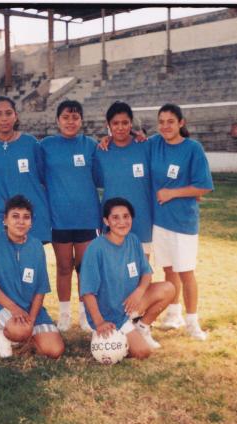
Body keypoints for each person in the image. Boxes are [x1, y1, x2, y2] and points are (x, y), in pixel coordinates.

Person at [80, 197, 175, 358]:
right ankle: (115, 332)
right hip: (109, 314)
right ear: (106, 221)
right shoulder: (96, 249)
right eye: (115, 217)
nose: (122, 222)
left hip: (130, 305)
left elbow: (146, 273)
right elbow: (87, 292)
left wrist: (139, 291)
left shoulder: (133, 240)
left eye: (126, 216)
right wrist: (99, 322)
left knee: (168, 288)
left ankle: (142, 327)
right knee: (142, 352)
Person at [149, 103, 214, 340]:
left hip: (183, 222)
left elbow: (204, 186)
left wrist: (172, 193)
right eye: (162, 121)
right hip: (160, 221)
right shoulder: (154, 143)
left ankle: (193, 323)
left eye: (170, 122)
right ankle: (173, 315)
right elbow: (134, 143)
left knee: (186, 272)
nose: (165, 126)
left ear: (181, 123)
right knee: (169, 270)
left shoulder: (193, 149)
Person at [0, 195, 64, 359]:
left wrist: (32, 318)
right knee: (20, 330)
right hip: (0, 306)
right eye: (15, 216)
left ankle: (24, 339)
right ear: (5, 220)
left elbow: (40, 289)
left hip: (30, 309)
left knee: (55, 350)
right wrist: (14, 309)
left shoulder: (36, 246)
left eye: (26, 217)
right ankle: (5, 334)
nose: (21, 222)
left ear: (31, 222)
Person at [41, 100, 101, 332]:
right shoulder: (46, 146)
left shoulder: (91, 145)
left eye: (75, 117)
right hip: (59, 218)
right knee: (64, 267)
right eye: (65, 117)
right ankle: (64, 314)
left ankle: (85, 314)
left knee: (85, 269)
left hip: (88, 217)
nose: (70, 122)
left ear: (81, 121)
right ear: (57, 120)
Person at [0, 96, 51, 243]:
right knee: (7, 265)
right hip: (5, 221)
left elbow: (46, 179)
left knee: (32, 264)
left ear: (16, 116)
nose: (4, 118)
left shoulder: (31, 143)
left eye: (9, 113)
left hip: (34, 219)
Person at [94, 101, 154, 257]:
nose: (120, 127)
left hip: (141, 220)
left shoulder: (145, 147)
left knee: (142, 271)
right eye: (115, 123)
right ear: (108, 125)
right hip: (112, 222)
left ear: (131, 124)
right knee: (115, 273)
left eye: (125, 123)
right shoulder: (101, 151)